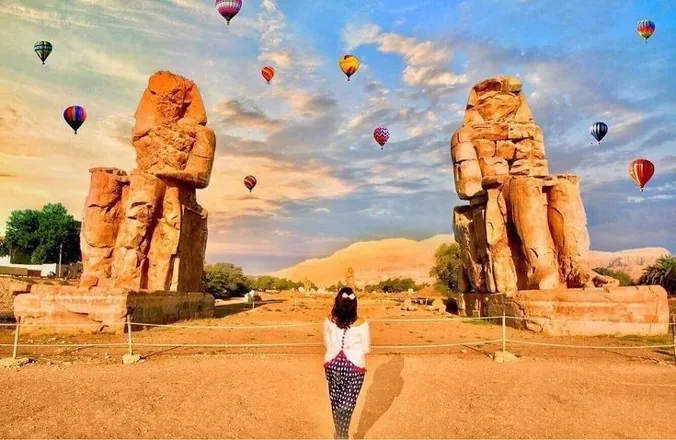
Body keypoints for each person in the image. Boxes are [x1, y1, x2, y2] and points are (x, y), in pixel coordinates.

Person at [323, 286, 371, 439]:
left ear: (337, 302)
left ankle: (339, 434)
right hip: (354, 368)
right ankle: (342, 436)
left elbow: (327, 343)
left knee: (335, 402)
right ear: (354, 304)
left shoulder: (328, 320)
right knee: (347, 405)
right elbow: (366, 349)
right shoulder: (362, 324)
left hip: (332, 364)